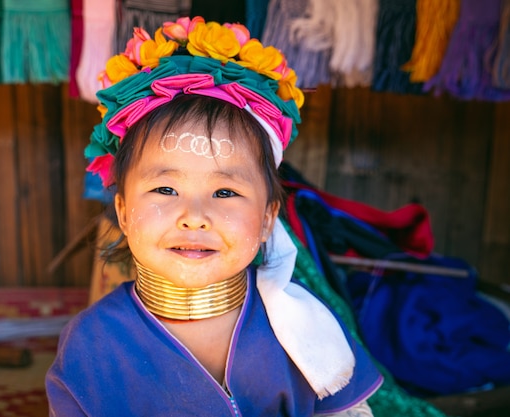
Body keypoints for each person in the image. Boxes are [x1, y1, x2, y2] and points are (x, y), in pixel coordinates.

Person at [46, 16, 383, 416]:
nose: (194, 217)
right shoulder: (92, 344)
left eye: (225, 192)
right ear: (122, 210)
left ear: (266, 219)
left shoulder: (306, 329)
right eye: (165, 189)